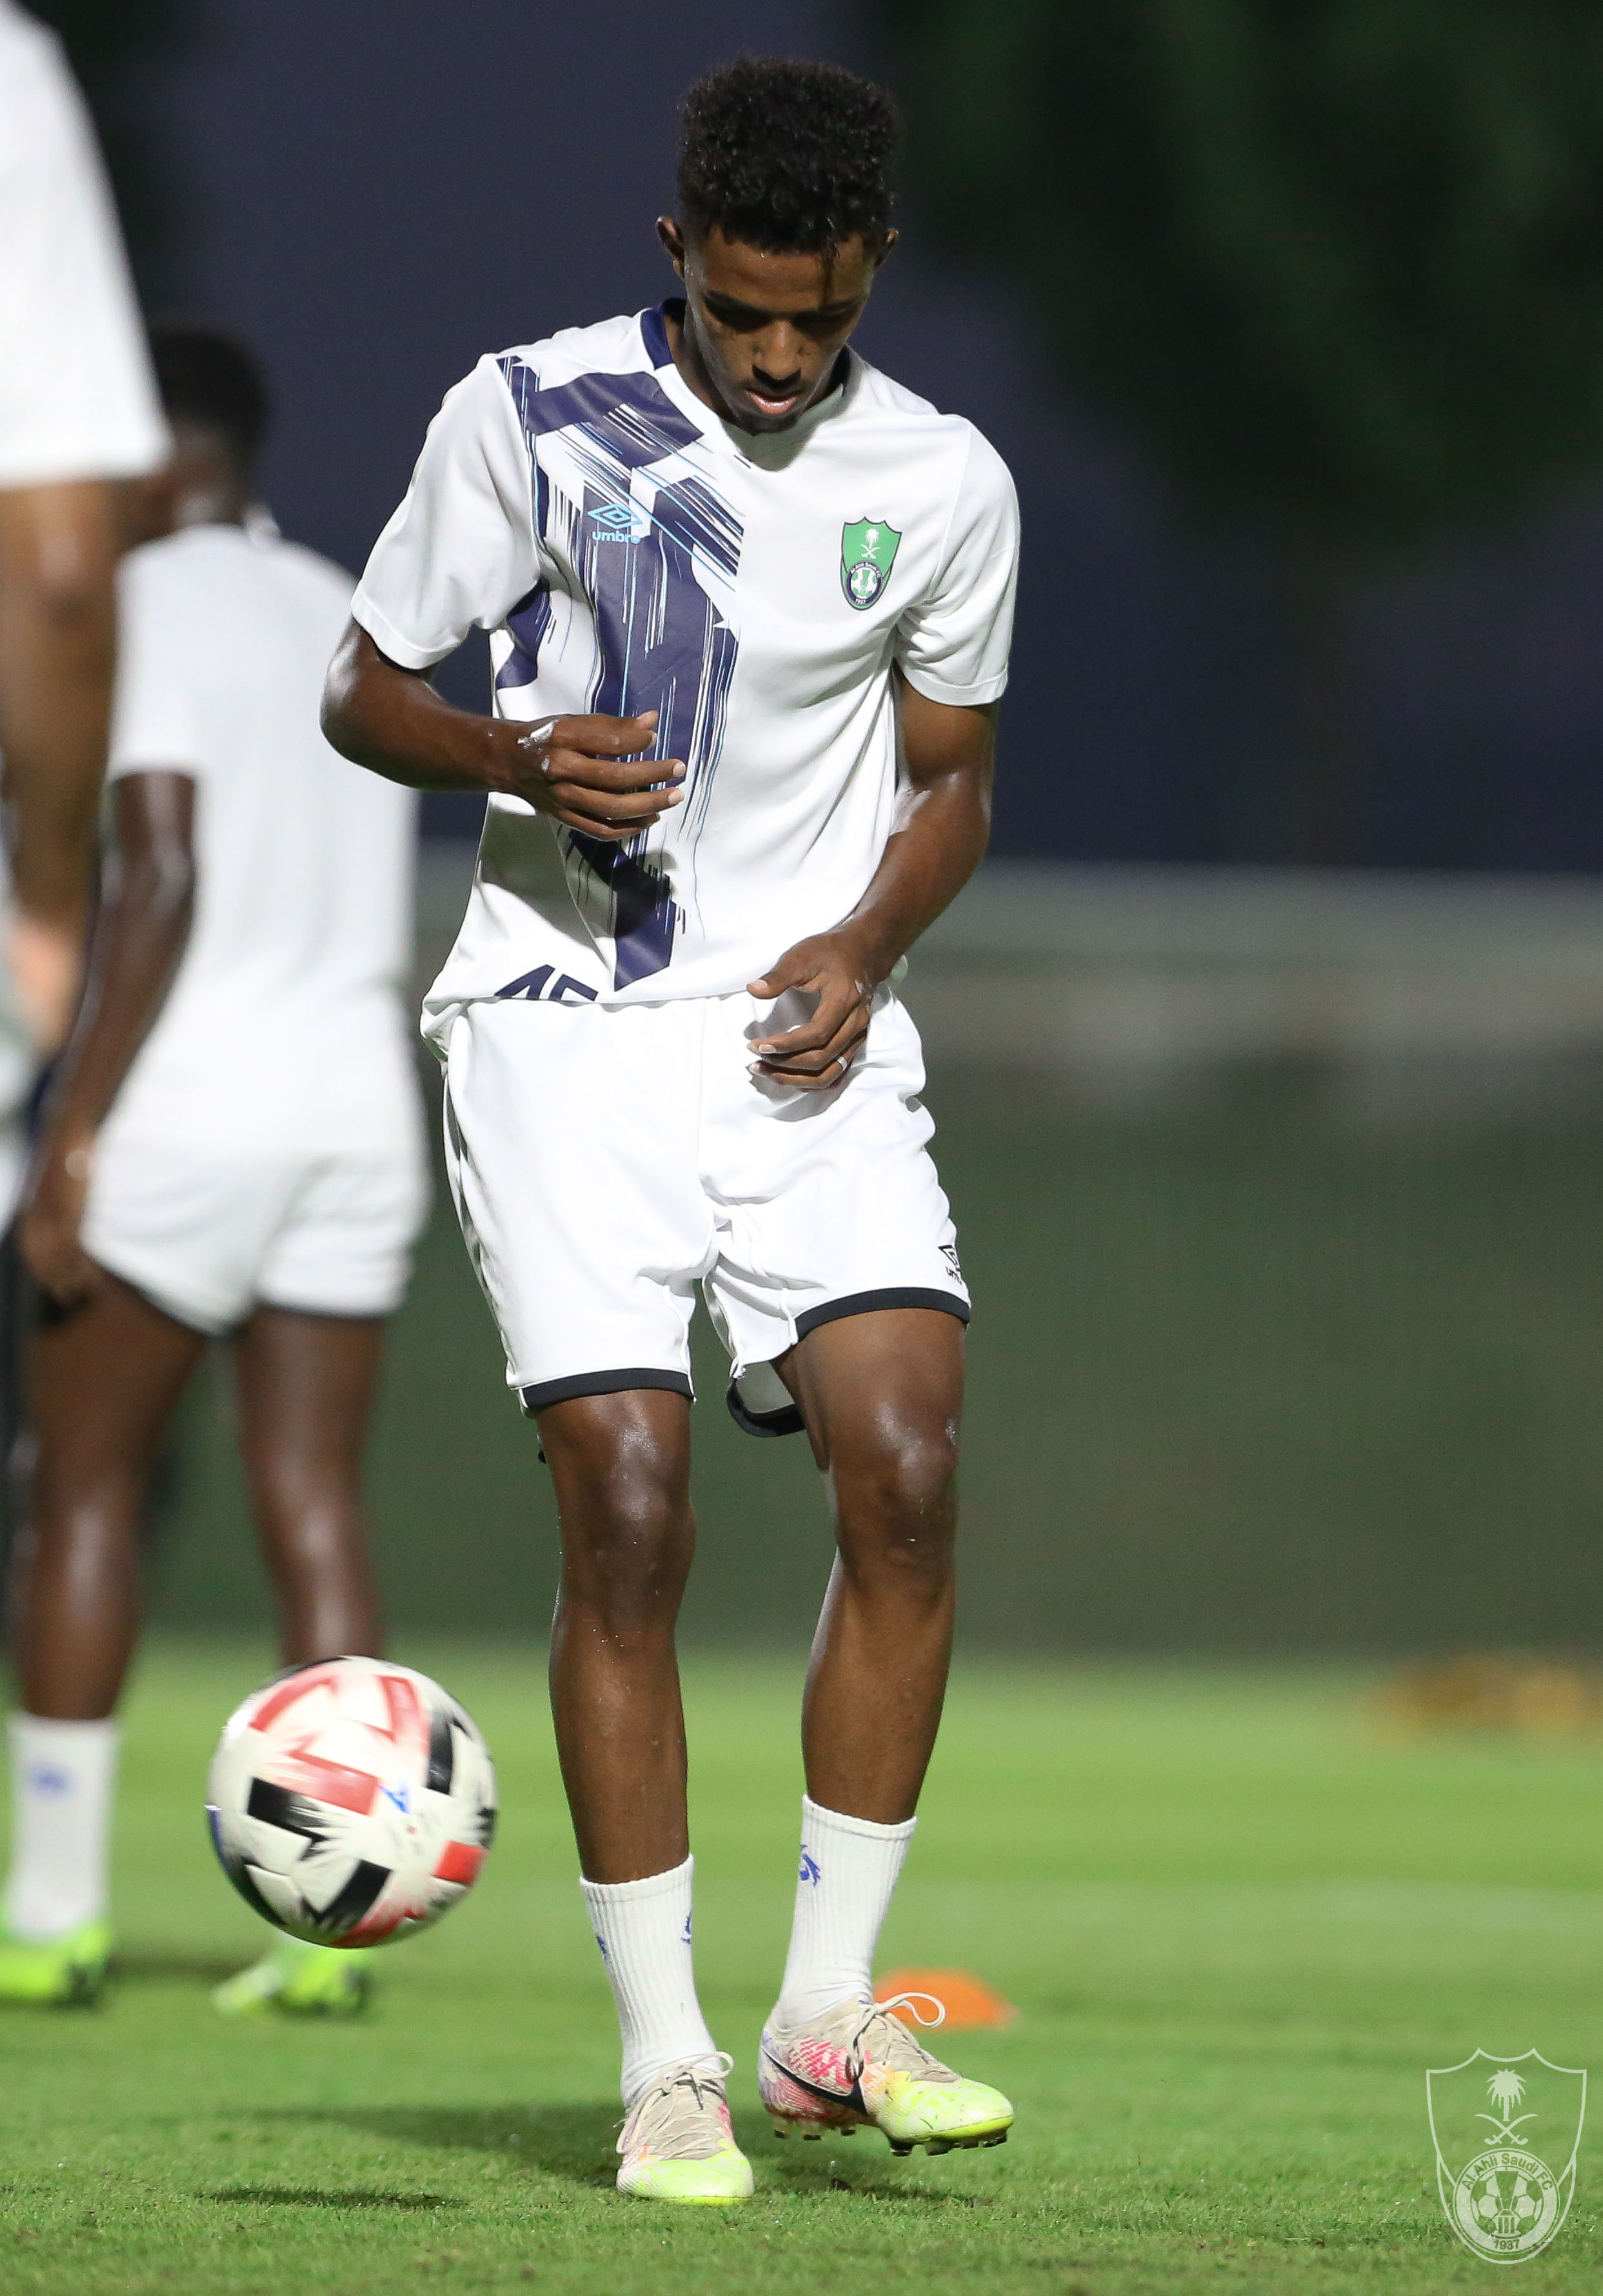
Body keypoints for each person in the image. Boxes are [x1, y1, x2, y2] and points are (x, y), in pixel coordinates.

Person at [324, 57, 1019, 2203]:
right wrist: (515, 756)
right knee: (630, 1512)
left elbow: (951, 784)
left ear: (872, 264)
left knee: (908, 1466)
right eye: (740, 314)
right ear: (676, 257)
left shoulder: (945, 477)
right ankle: (667, 2068)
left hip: (806, 1028)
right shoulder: (530, 414)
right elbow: (363, 687)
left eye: (820, 315)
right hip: (562, 1027)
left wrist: (866, 946)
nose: (781, 358)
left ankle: (826, 2017)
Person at [0, 326, 430, 2013]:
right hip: (355, 1103)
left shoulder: (143, 601)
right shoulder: (345, 605)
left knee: (80, 1489)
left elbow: (161, 868)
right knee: (312, 1501)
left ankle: (52, 1913)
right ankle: (329, 1930)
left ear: (153, 452)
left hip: (188, 1101)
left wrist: (74, 1125)